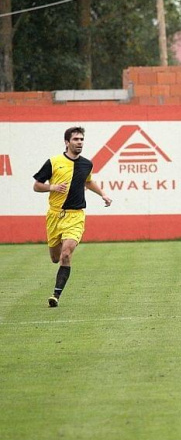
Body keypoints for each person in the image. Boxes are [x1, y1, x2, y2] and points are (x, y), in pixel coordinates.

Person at [33, 127, 112, 307]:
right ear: (67, 142)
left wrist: (103, 194)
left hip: (75, 216)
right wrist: (52, 188)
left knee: (66, 253)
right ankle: (59, 267)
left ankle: (56, 295)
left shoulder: (86, 164)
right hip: (54, 216)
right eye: (76, 139)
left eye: (81, 139)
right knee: (55, 258)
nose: (79, 142)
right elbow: (36, 186)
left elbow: (88, 181)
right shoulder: (54, 162)